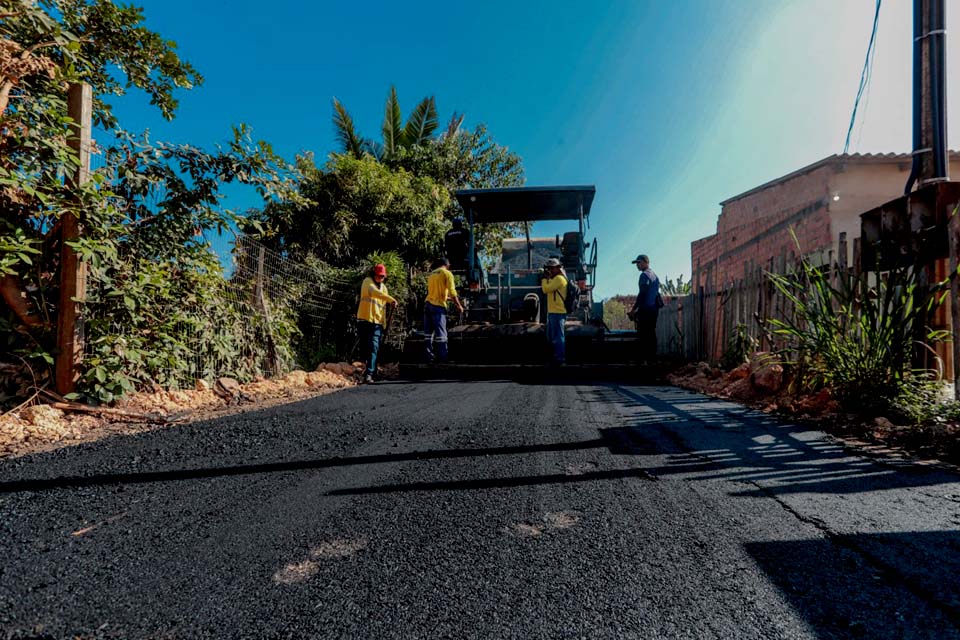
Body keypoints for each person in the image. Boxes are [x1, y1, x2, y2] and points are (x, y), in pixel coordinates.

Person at [356, 263, 397, 384]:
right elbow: (374, 293)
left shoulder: (384, 288)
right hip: (364, 320)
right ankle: (370, 371)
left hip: (377, 323)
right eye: (378, 276)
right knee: (365, 348)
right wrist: (391, 299)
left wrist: (383, 323)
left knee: (374, 347)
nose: (380, 278)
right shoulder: (367, 282)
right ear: (374, 275)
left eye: (382, 277)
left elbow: (383, 308)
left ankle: (369, 373)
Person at [424, 257, 465, 363]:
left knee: (428, 334)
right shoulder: (447, 273)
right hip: (438, 307)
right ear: (447, 265)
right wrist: (459, 305)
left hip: (428, 305)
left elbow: (435, 293)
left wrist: (450, 299)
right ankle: (443, 358)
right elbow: (452, 291)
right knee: (441, 334)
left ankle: (429, 357)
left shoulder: (432, 274)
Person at [628, 254, 661, 364]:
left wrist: (633, 310)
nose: (637, 265)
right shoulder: (655, 276)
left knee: (643, 336)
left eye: (639, 262)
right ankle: (652, 360)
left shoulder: (644, 275)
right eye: (636, 263)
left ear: (646, 262)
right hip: (654, 310)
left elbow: (642, 293)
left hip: (646, 310)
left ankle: (642, 362)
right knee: (651, 334)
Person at [540, 257, 568, 366]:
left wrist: (543, 279)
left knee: (558, 337)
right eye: (549, 268)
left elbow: (545, 289)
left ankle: (560, 359)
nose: (550, 270)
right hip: (554, 312)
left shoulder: (559, 279)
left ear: (558, 268)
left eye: (552, 268)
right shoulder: (556, 279)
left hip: (558, 312)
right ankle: (555, 358)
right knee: (552, 336)